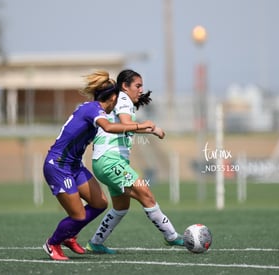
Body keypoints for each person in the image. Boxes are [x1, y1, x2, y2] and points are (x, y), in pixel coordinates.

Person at [42, 70, 155, 261]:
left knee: (100, 203)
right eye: (117, 99)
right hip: (58, 166)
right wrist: (140, 125)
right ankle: (53, 243)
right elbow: (109, 127)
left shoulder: (95, 110)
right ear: (112, 98)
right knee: (78, 215)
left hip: (74, 166)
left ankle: (69, 236)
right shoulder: (93, 110)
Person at [85, 69, 184, 254]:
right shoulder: (123, 99)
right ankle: (172, 236)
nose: (141, 90)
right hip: (110, 160)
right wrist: (150, 128)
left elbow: (126, 126)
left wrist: (151, 129)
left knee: (121, 207)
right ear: (125, 86)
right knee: (145, 193)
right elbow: (124, 123)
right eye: (137, 86)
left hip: (107, 161)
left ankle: (95, 243)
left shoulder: (120, 100)